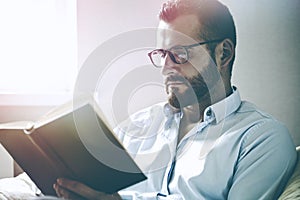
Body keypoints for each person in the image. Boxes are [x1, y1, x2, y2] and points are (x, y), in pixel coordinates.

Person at [1, 0, 297, 199]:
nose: (167, 68)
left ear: (224, 53)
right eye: (161, 55)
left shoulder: (261, 140)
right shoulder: (142, 124)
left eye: (179, 55)